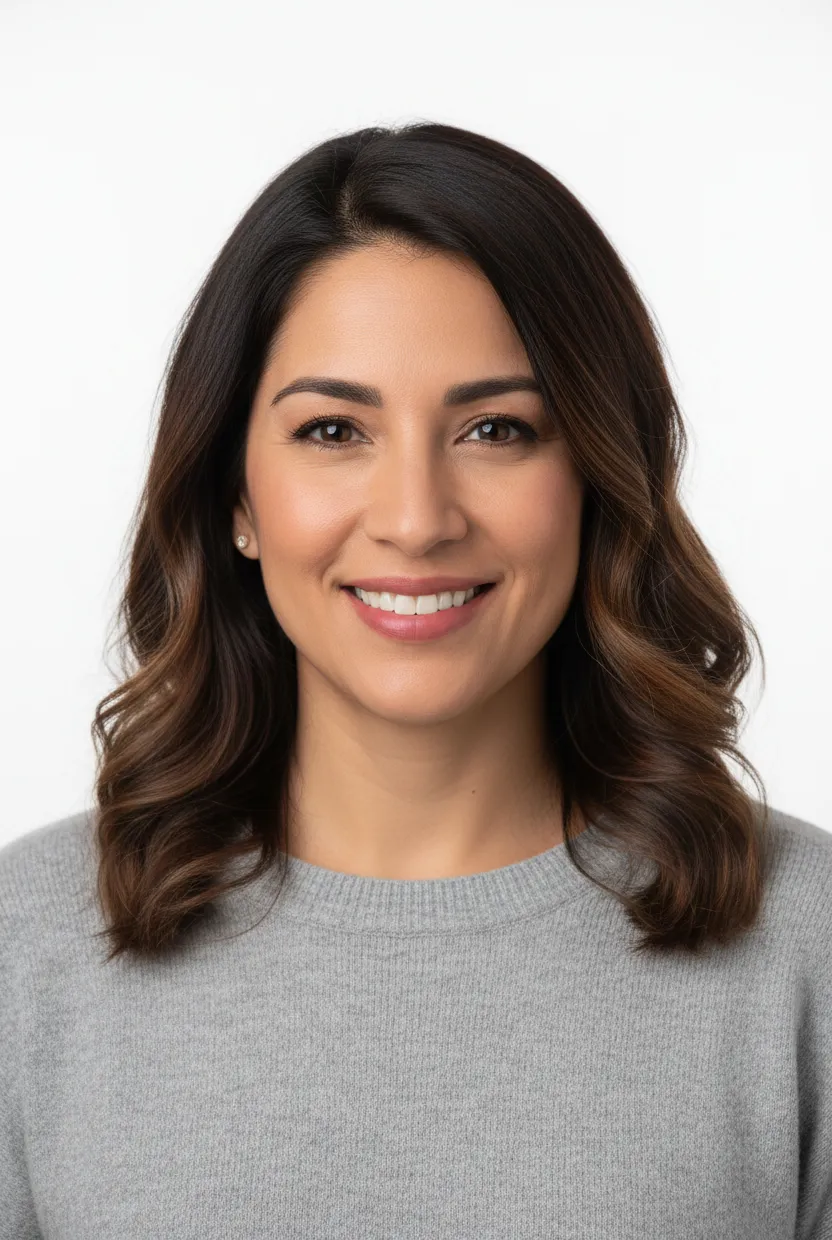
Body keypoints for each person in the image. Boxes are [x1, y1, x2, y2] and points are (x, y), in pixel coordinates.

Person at [1, 120, 829, 1239]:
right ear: (236, 496)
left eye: (496, 428)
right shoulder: (26, 950)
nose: (414, 519)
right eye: (334, 430)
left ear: (595, 472)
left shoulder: (804, 944)